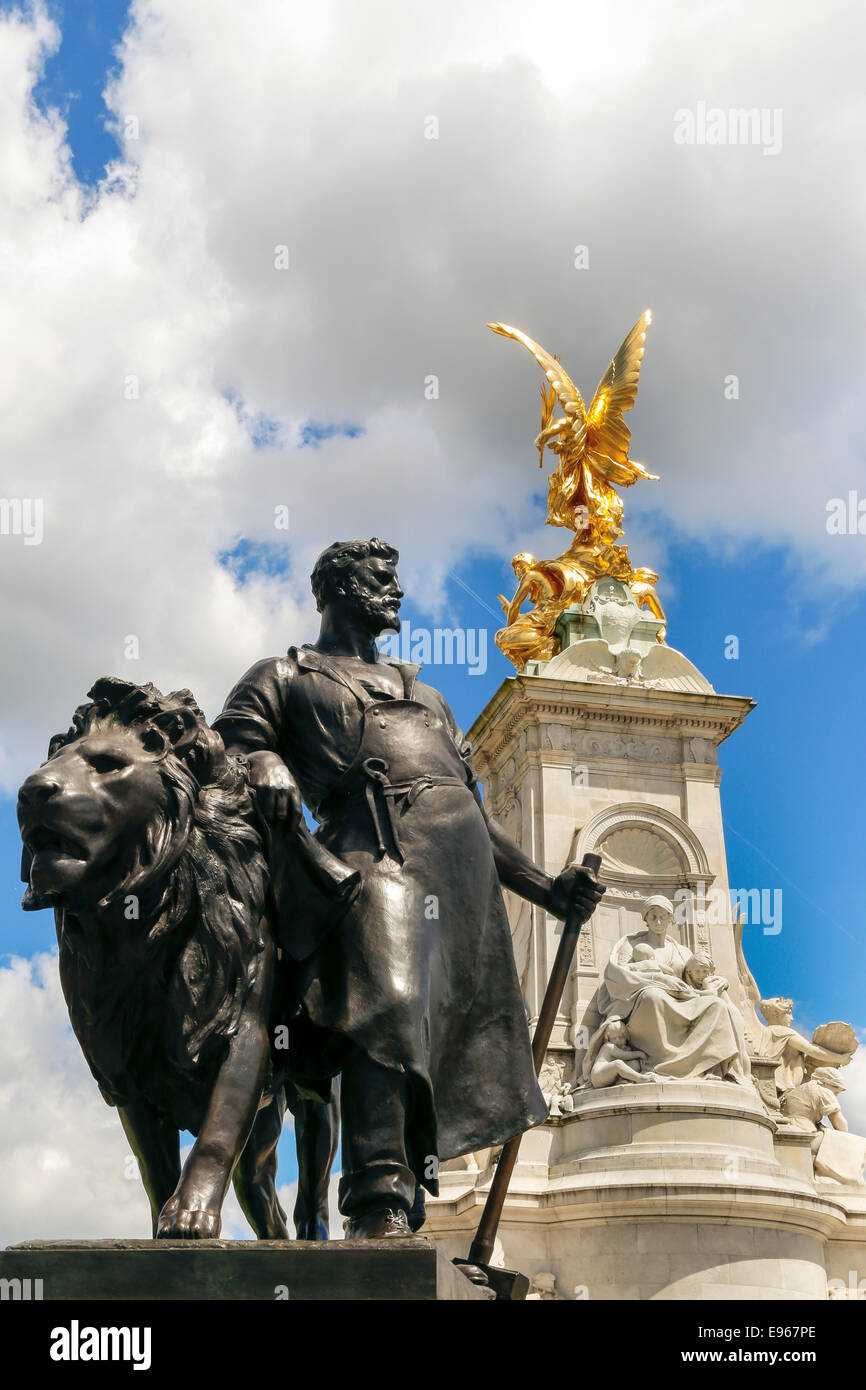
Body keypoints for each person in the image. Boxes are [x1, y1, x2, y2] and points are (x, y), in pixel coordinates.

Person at [214, 538, 604, 1238]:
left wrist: (547, 889)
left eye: (397, 581)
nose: (395, 593)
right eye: (378, 580)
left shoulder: (428, 695)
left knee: (434, 1036)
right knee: (386, 1007)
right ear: (334, 589)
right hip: (368, 856)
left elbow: (473, 811)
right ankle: (376, 1203)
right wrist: (265, 763)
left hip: (458, 879)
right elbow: (228, 746)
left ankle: (410, 1202)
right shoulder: (285, 673)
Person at [597, 896, 752, 1087]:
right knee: (653, 995)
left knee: (717, 1005)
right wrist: (657, 977)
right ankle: (655, 1065)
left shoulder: (681, 951)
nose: (659, 921)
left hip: (682, 998)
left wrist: (716, 981)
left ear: (671, 919)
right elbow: (620, 976)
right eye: (653, 917)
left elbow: (696, 979)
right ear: (646, 919)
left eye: (663, 917)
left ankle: (706, 1066)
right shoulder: (632, 946)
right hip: (642, 1000)